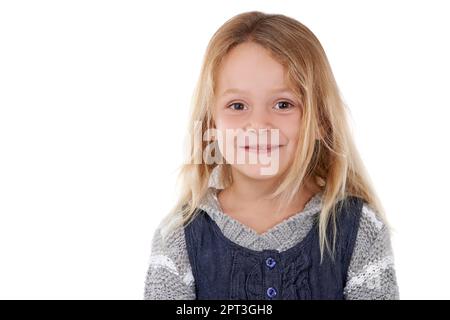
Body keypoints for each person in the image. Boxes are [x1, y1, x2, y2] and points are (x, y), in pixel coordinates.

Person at [144, 11, 399, 300]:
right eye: (238, 105)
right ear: (212, 124)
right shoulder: (177, 239)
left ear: (321, 122)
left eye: (283, 104)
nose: (259, 125)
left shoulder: (361, 230)